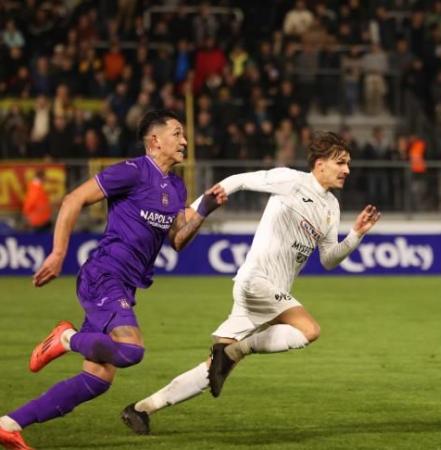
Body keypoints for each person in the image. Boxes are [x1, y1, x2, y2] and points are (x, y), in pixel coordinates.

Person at [120, 131, 381, 435]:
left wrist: (356, 235)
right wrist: (195, 207)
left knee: (213, 371)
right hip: (257, 281)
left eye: (348, 163)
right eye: (341, 163)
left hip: (270, 294)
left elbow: (328, 258)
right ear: (320, 164)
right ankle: (238, 350)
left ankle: (141, 409)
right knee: (309, 330)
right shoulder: (290, 180)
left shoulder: (331, 208)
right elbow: (239, 180)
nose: (347, 170)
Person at [0, 110, 226, 450]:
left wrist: (205, 207)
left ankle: (8, 424)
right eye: (177, 133)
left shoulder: (176, 186)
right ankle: (66, 339)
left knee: (98, 378)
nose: (184, 140)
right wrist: (58, 253)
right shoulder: (132, 171)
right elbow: (74, 199)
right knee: (131, 350)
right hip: (104, 276)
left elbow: (178, 239)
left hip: (123, 285)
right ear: (155, 141)